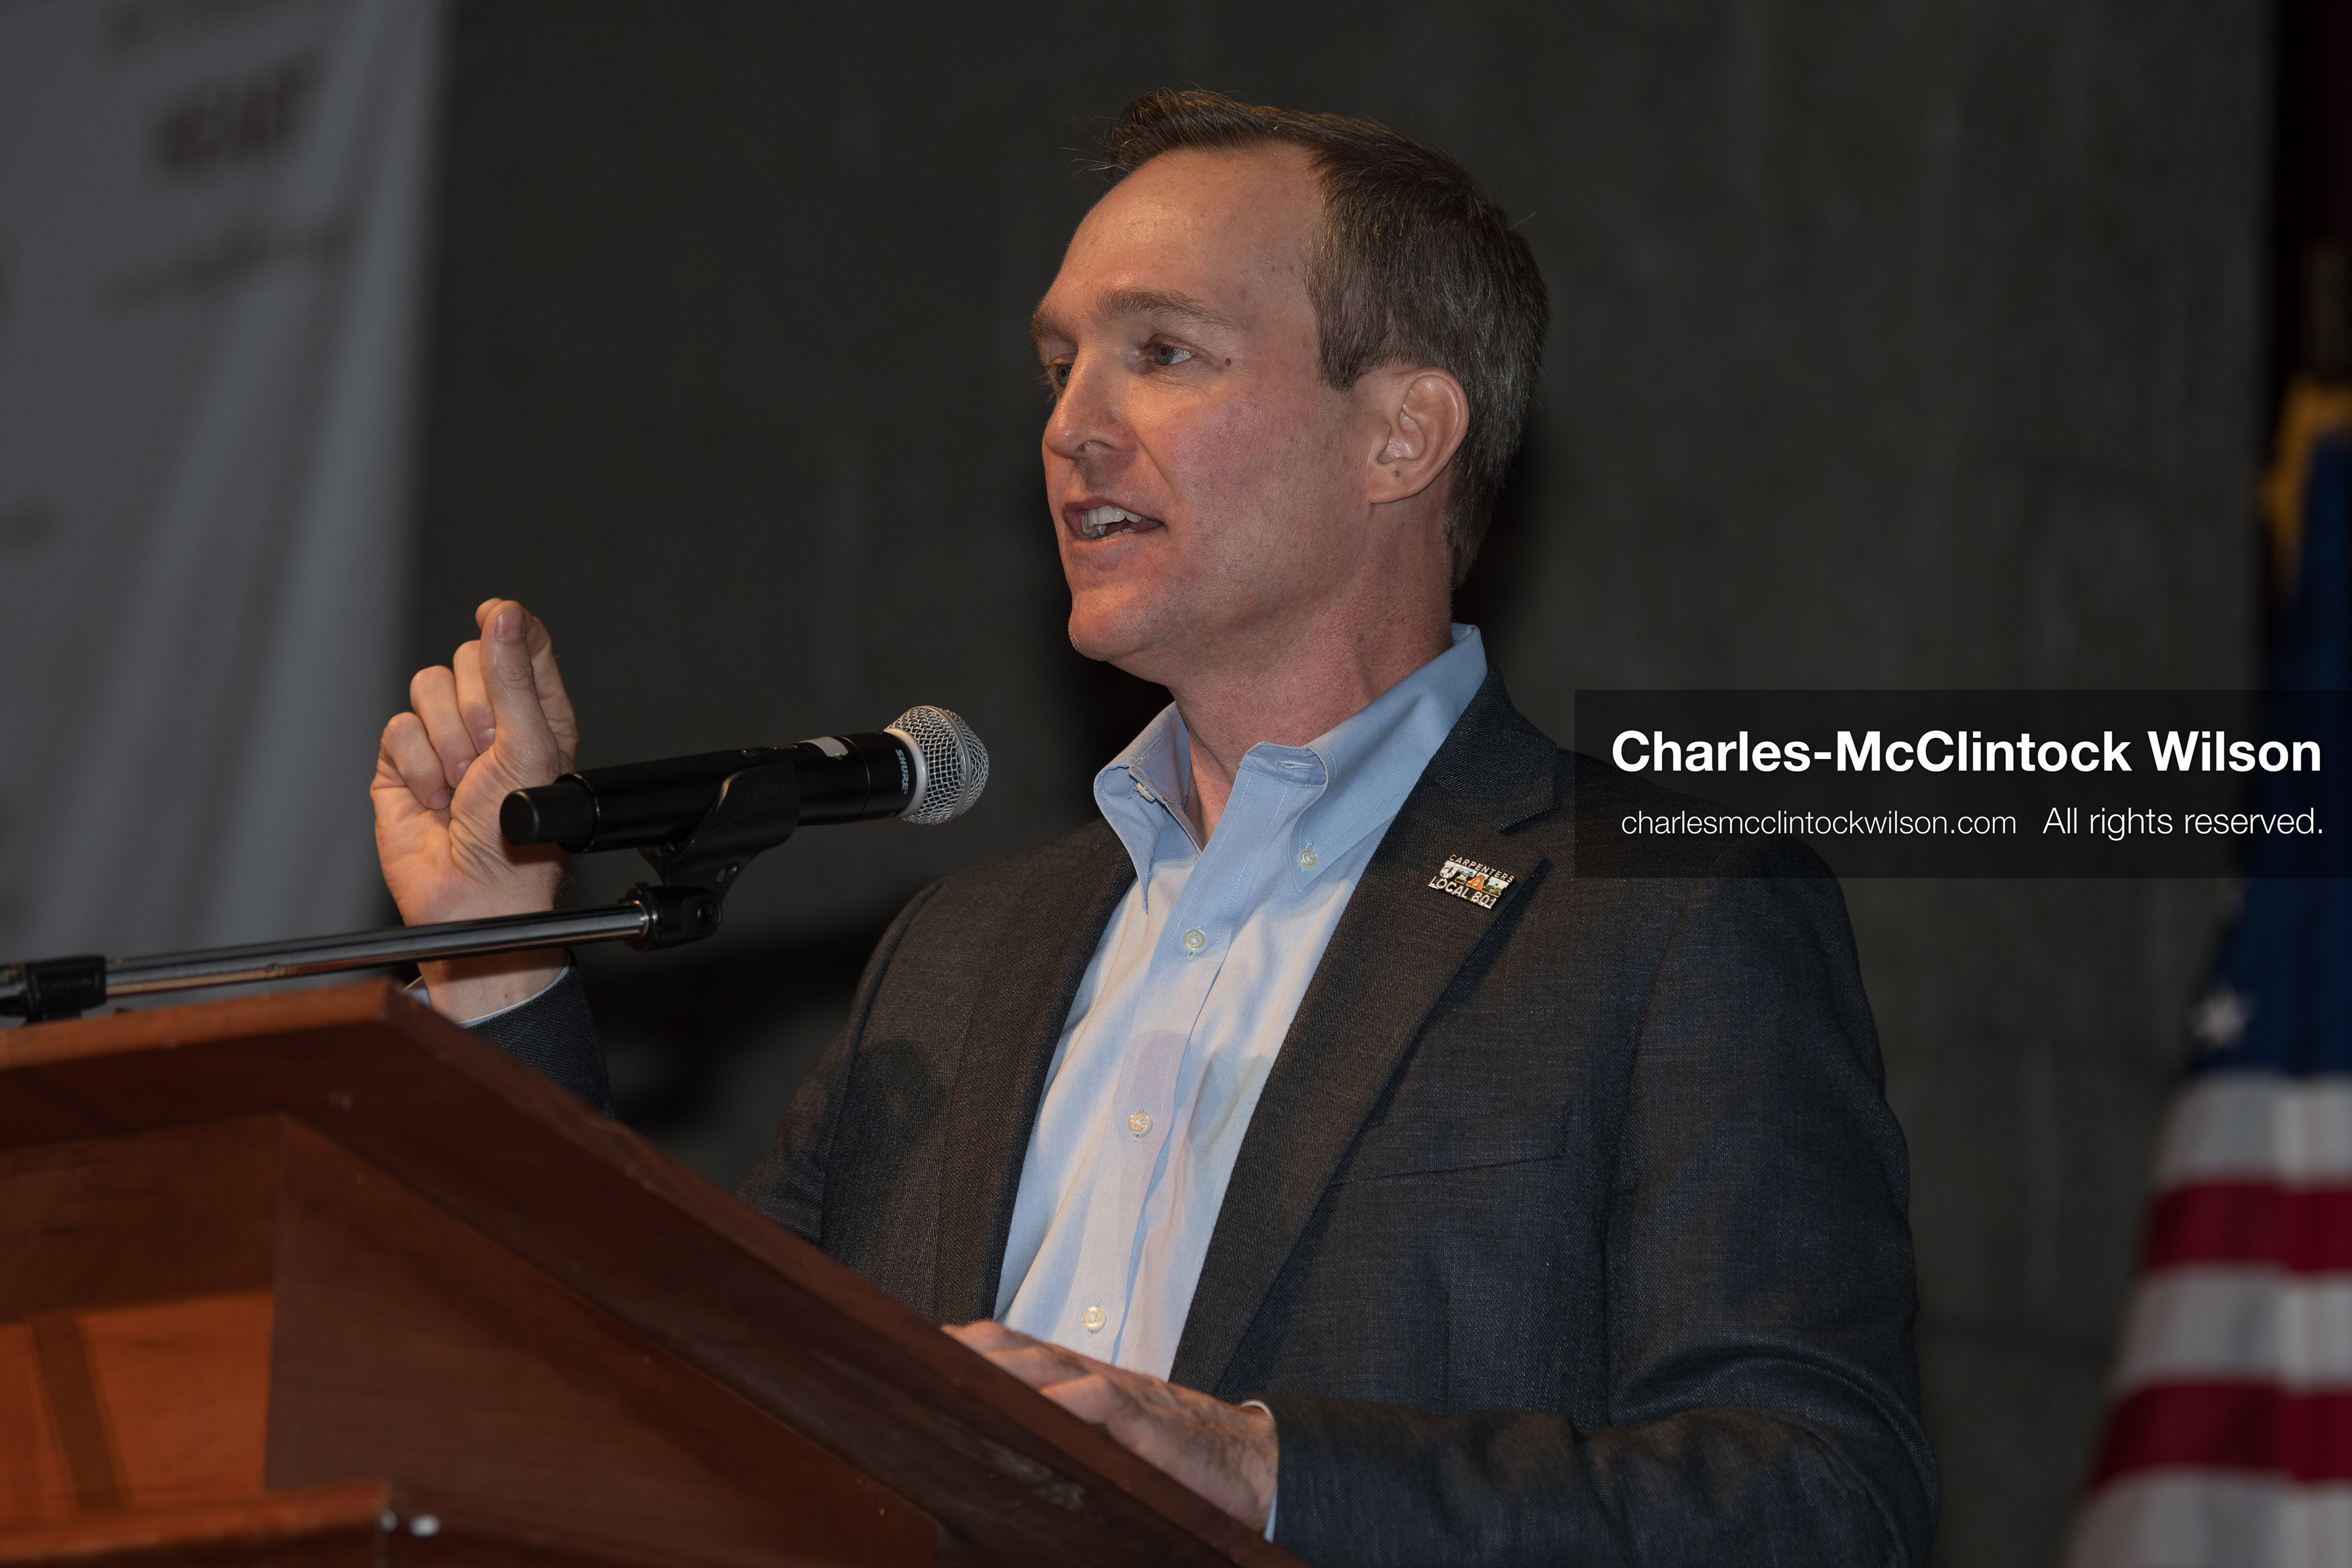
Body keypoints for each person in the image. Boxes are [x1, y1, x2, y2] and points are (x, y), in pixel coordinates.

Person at [372, 90, 1939, 1564]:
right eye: (1058, 363)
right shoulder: (964, 953)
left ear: (1402, 435)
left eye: (1164, 353)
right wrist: (495, 959)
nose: (1070, 425)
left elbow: (1814, 1494)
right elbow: (678, 1384)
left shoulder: (1659, 906)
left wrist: (1268, 1473)